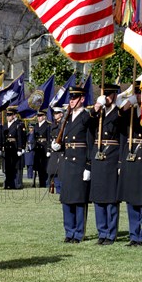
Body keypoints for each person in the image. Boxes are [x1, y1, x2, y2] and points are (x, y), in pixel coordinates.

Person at [51, 87, 93, 243]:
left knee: (79, 200)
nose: (71, 101)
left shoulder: (85, 117)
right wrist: (59, 146)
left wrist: (88, 165)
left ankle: (78, 233)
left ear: (82, 99)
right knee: (67, 199)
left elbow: (90, 142)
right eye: (71, 98)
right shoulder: (67, 118)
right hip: (67, 162)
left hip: (80, 162)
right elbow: (65, 139)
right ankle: (69, 232)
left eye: (75, 98)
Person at [117, 83, 142, 247]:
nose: (139, 96)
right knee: (131, 198)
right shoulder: (129, 112)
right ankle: (133, 235)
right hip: (130, 156)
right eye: (137, 93)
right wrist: (128, 104)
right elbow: (117, 121)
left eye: (141, 93)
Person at [89, 84, 121, 245]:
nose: (106, 98)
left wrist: (121, 162)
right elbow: (87, 124)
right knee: (99, 197)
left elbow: (122, 135)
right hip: (98, 155)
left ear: (115, 96)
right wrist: (96, 108)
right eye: (104, 95)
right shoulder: (98, 113)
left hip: (112, 156)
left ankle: (111, 232)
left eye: (109, 95)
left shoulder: (119, 112)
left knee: (110, 198)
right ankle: (101, 231)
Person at [3, 106, 26, 189]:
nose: (8, 117)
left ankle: (16, 184)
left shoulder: (17, 125)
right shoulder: (5, 125)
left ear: (13, 116)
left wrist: (20, 148)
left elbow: (20, 137)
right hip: (7, 148)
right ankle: (8, 184)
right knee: (8, 167)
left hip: (15, 147)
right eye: (7, 115)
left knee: (15, 167)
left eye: (10, 115)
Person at [48, 107, 65, 194]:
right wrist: (50, 147)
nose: (55, 115)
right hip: (54, 151)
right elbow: (50, 137)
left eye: (57, 113)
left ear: (61, 114)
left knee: (61, 171)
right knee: (53, 169)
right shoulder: (52, 125)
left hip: (62, 151)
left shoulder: (64, 124)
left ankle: (61, 189)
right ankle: (56, 187)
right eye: (54, 113)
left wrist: (60, 145)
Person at [33, 110, 51, 187]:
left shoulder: (47, 125)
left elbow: (49, 138)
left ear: (44, 117)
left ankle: (45, 183)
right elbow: (34, 138)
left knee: (45, 166)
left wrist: (48, 149)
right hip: (37, 148)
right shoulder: (36, 125)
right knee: (38, 167)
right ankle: (41, 183)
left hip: (44, 147)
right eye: (38, 116)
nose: (39, 118)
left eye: (40, 116)